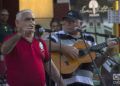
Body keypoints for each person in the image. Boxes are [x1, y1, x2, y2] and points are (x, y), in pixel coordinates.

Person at [46, 10, 117, 86]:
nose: (68, 23)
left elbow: (96, 64)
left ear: (81, 23)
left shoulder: (90, 38)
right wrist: (64, 48)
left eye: (72, 21)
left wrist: (108, 51)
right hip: (65, 83)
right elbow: (44, 45)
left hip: (86, 83)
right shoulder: (57, 35)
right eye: (66, 21)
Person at [1, 9, 66, 86]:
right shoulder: (11, 39)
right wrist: (20, 33)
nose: (31, 22)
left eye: (33, 19)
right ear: (17, 23)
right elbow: (4, 50)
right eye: (27, 19)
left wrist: (62, 84)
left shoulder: (40, 42)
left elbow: (50, 67)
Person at [0, 9, 13, 84]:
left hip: (10, 52)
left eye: (6, 15)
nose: (5, 16)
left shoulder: (9, 27)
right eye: (3, 15)